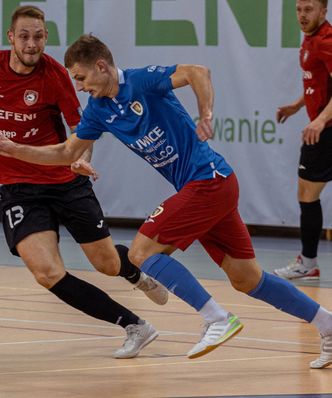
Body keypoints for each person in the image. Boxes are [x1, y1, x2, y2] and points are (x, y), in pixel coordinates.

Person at [1, 34, 332, 369]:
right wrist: (14, 150)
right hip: (208, 189)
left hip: (209, 179)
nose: (81, 87)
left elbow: (197, 72)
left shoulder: (141, 81)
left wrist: (206, 114)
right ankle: (328, 325)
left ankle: (216, 317)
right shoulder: (99, 110)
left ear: (101, 66)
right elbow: (67, 151)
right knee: (247, 278)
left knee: (141, 252)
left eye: (82, 78)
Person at [0, 5, 171, 359]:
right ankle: (133, 324)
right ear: (11, 38)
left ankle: (133, 273)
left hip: (64, 180)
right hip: (16, 186)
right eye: (24, 36)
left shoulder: (56, 75)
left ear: (46, 38)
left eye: (38, 37)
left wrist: (81, 159)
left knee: (106, 264)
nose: (31, 44)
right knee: (46, 273)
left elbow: (82, 130)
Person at [274, 0, 332, 280]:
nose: (302, 15)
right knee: (308, 195)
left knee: (307, 195)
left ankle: (308, 264)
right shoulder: (310, 41)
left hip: (325, 131)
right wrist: (298, 106)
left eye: (309, 9)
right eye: (298, 9)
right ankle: (308, 262)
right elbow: (318, 83)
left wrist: (320, 120)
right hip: (322, 128)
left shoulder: (326, 41)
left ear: (324, 11)